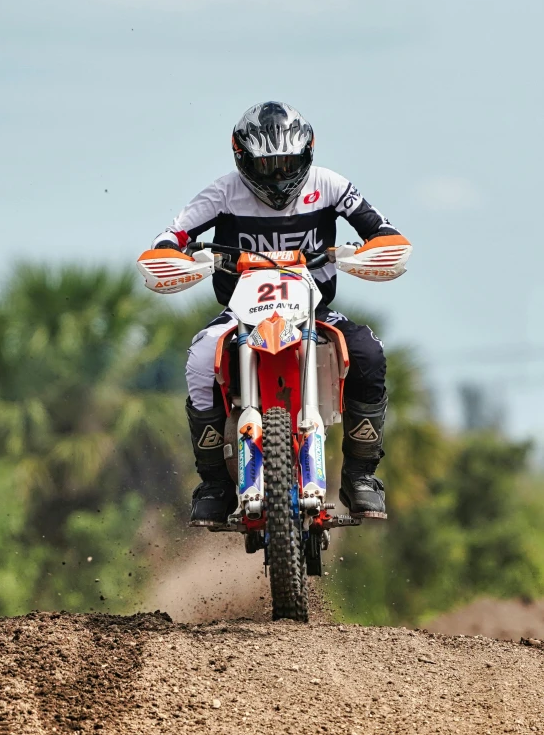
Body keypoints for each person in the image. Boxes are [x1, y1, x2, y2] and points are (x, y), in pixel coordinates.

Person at [152, 101, 411, 526]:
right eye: (267, 165)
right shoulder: (222, 193)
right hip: (241, 314)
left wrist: (378, 246)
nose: (278, 176)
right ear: (242, 158)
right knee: (200, 358)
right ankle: (214, 483)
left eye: (287, 163)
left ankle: (361, 475)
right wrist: (169, 253)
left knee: (368, 351)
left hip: (312, 308)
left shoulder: (329, 185)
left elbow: (382, 229)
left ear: (307, 154)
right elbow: (172, 235)